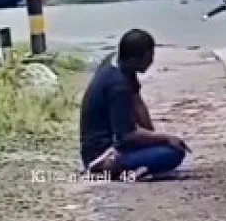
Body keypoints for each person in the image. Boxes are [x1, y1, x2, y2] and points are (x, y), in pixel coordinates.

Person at [80, 28, 189, 179]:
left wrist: (153, 137)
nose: (151, 61)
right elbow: (127, 135)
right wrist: (165, 138)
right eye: (149, 57)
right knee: (173, 153)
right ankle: (114, 170)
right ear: (135, 59)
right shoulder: (118, 86)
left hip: (110, 146)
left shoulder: (119, 64)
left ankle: (136, 166)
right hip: (102, 155)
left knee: (163, 147)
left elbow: (137, 102)